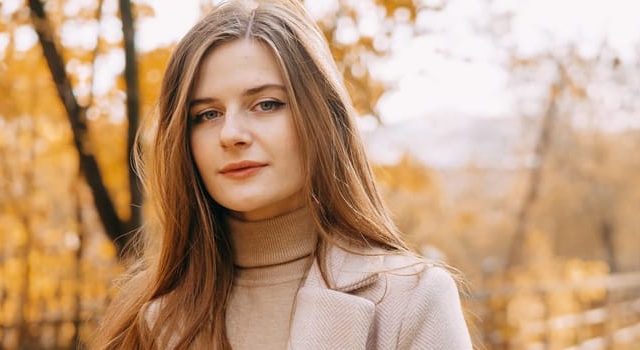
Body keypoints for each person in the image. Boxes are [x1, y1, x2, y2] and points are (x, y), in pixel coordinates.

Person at [90, 0, 473, 349]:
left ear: (322, 119)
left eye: (266, 104)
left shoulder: (412, 299)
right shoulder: (149, 318)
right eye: (207, 114)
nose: (231, 135)